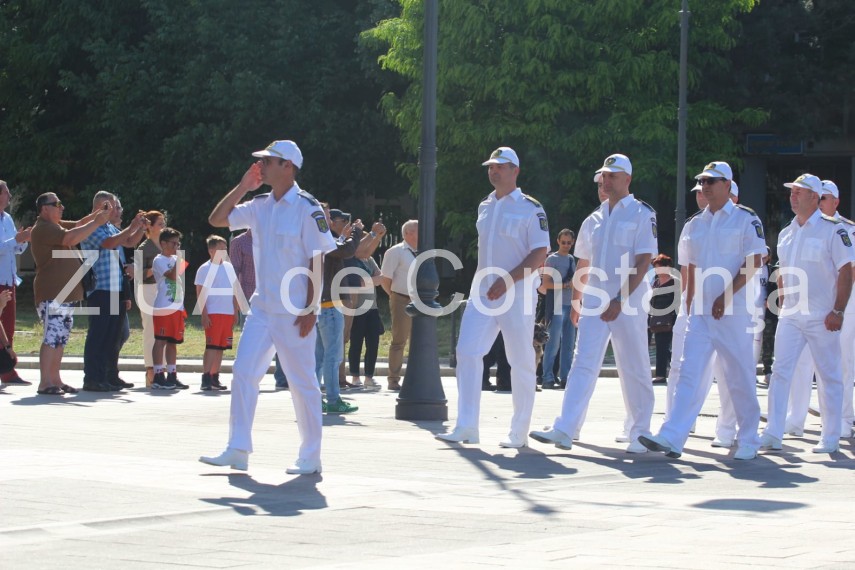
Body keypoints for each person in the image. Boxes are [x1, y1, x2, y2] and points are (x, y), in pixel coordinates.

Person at [200, 139, 336, 475]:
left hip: (294, 309)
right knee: (244, 373)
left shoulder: (307, 207)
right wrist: (243, 186)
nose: (261, 166)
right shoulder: (259, 204)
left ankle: (311, 455)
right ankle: (238, 447)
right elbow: (217, 220)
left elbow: (317, 259)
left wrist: (311, 309)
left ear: (287, 167)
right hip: (262, 308)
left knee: (302, 381)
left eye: (268, 161)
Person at [530, 154, 657, 453]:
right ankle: (566, 427)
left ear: (627, 179)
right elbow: (584, 264)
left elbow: (644, 260)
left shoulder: (641, 213)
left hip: (629, 300)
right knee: (583, 363)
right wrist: (577, 301)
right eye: (603, 176)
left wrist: (621, 298)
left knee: (634, 364)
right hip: (594, 301)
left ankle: (640, 431)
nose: (605, 180)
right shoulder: (593, 219)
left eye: (612, 175)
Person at [639, 161, 765, 460]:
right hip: (700, 314)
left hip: (733, 312)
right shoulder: (694, 223)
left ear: (727, 185)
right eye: (702, 181)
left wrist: (726, 295)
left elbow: (755, 261)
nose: (705, 186)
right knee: (689, 373)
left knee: (739, 376)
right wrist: (688, 305)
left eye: (712, 181)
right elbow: (690, 268)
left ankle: (748, 437)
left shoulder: (746, 219)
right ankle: (672, 435)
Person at [436, 146, 549, 448]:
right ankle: (467, 426)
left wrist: (508, 279)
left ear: (516, 171)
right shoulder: (485, 205)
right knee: (468, 352)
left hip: (518, 291)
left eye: (500, 166)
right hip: (483, 290)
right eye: (491, 167)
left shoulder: (530, 207)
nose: (493, 171)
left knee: (519, 359)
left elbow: (540, 251)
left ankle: (519, 431)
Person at [761, 175, 854, 453]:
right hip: (791, 314)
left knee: (829, 375)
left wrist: (838, 309)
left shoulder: (833, 229)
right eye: (792, 192)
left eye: (799, 192)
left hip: (822, 315)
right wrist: (781, 301)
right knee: (780, 372)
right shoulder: (788, 232)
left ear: (815, 197)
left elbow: (847, 271)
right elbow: (783, 270)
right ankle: (773, 432)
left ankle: (830, 435)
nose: (793, 196)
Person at [31, 193, 110, 395]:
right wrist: (97, 222)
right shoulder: (43, 228)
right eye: (57, 204)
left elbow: (78, 224)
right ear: (44, 208)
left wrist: (97, 214)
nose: (61, 207)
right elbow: (71, 237)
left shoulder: (54, 225)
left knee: (60, 338)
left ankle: (55, 380)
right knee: (52, 337)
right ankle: (45, 382)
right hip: (53, 292)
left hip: (64, 294)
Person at [80, 192, 147, 392]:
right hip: (100, 289)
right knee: (98, 335)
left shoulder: (109, 227)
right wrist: (131, 227)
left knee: (113, 336)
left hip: (115, 288)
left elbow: (128, 242)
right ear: (100, 206)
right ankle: (93, 377)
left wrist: (140, 228)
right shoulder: (92, 227)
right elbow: (109, 243)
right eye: (112, 206)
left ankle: (109, 375)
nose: (116, 211)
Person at [315, 206, 362, 413]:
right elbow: (346, 251)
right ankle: (333, 400)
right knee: (333, 356)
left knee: (318, 357)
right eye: (325, 214)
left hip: (316, 306)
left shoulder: (311, 235)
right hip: (329, 305)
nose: (329, 219)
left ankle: (314, 400)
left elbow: (337, 248)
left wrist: (343, 237)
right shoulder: (320, 235)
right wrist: (357, 233)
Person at [195, 235, 239, 391]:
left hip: (227, 313)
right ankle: (205, 377)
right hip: (213, 312)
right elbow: (200, 293)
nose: (224, 251)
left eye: (225, 248)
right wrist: (204, 314)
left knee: (221, 347)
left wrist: (235, 311)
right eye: (220, 249)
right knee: (212, 346)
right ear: (211, 251)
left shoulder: (229, 267)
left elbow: (234, 291)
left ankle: (215, 376)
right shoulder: (204, 269)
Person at [379, 219, 418, 391]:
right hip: (402, 299)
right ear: (408, 233)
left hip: (420, 301)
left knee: (420, 341)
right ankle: (393, 379)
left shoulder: (422, 251)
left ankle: (416, 377)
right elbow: (385, 279)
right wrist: (395, 296)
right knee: (399, 340)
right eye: (418, 230)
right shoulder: (395, 252)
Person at [0, 180, 32, 387]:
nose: (10, 197)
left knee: (8, 325)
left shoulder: (8, 218)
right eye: (6, 193)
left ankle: (7, 370)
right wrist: (15, 240)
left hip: (8, 279)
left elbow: (13, 248)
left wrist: (23, 240)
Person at [539, 229, 577, 390]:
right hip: (556, 304)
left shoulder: (571, 259)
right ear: (558, 241)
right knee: (553, 343)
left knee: (568, 344)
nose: (566, 245)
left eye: (569, 243)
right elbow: (546, 284)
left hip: (570, 304)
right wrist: (566, 285)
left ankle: (565, 376)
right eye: (563, 242)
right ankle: (547, 376)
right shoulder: (552, 260)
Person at [151, 227, 188, 390]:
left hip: (176, 306)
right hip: (163, 306)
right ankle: (158, 374)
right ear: (163, 243)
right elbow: (172, 276)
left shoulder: (176, 258)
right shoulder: (158, 260)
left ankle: (172, 374)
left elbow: (179, 279)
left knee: (173, 341)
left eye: (177, 243)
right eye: (173, 243)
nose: (176, 246)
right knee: (161, 340)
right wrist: (178, 259)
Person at [136, 210, 166, 387]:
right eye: (160, 223)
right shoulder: (143, 247)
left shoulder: (167, 244)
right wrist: (156, 267)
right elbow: (138, 274)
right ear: (150, 226)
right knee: (150, 330)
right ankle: (150, 371)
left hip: (165, 289)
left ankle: (163, 370)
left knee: (165, 331)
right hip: (148, 290)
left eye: (164, 223)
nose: (164, 226)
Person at [347, 252, 385, 390]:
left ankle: (369, 377)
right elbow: (359, 282)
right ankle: (355, 376)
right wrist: (372, 279)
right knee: (356, 342)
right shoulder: (352, 260)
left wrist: (369, 280)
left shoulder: (369, 259)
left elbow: (381, 279)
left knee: (373, 343)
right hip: (358, 307)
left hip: (373, 307)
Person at [649, 254, 677, 384]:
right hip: (656, 318)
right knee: (662, 346)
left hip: (671, 318)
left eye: (659, 267)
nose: (657, 270)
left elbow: (678, 301)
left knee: (666, 345)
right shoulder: (655, 283)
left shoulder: (675, 282)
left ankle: (664, 373)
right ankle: (666, 372)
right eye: (655, 268)